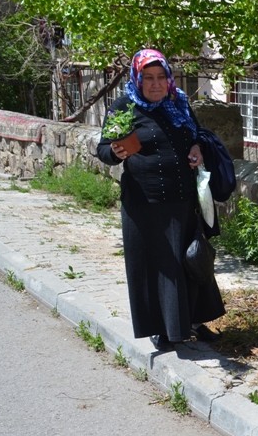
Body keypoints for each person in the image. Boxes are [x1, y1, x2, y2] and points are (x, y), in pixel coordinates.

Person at [96, 48, 226, 351]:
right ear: (137, 79)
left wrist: (197, 147)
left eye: (160, 77)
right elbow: (103, 150)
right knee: (157, 266)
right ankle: (162, 329)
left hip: (183, 200)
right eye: (148, 78)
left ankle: (195, 321)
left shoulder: (178, 102)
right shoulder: (124, 107)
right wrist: (115, 152)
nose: (155, 84)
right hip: (145, 204)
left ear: (168, 78)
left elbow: (196, 134)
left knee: (190, 260)